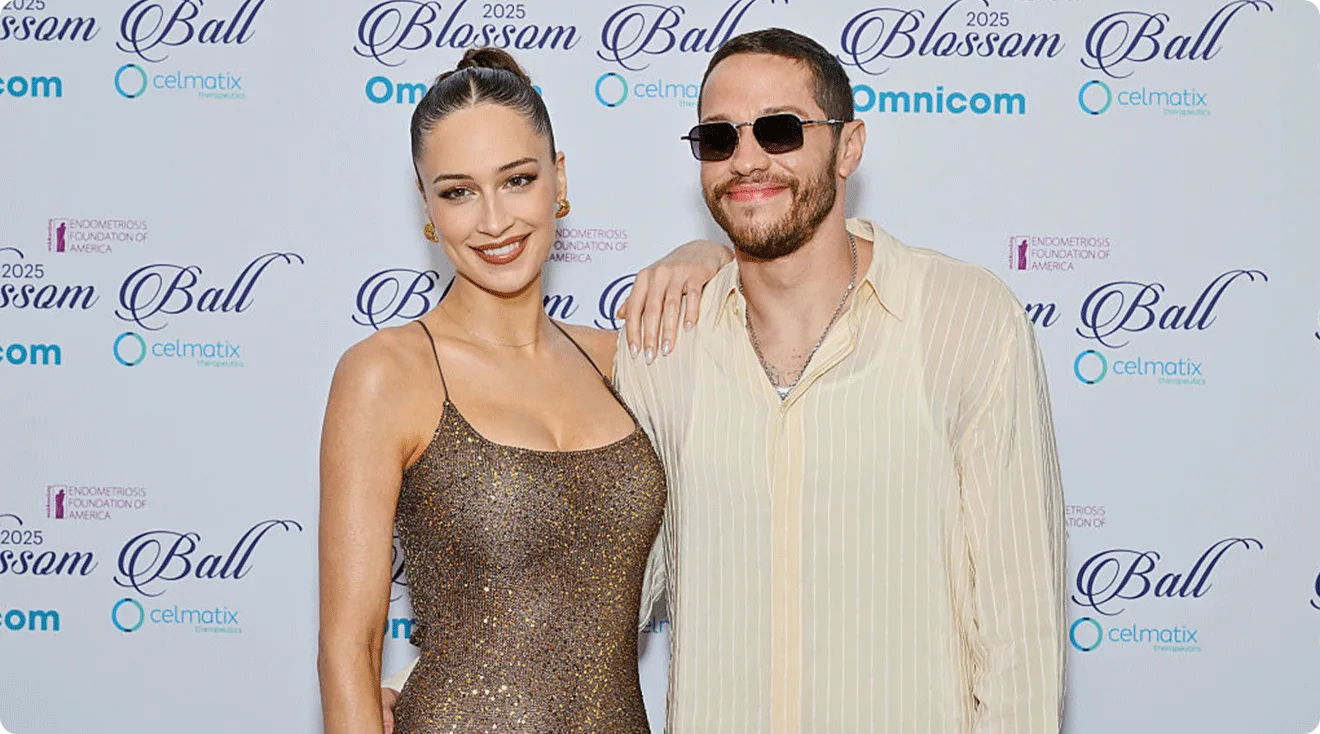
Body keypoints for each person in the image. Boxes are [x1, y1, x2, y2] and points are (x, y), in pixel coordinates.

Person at [386, 28, 1067, 734]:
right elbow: (587, 583)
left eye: (780, 130)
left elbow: (1021, 638)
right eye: (719, 139)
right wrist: (433, 687)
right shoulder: (663, 349)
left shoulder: (966, 319)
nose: (747, 160)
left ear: (849, 146)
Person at [317, 48, 728, 734]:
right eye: (458, 191)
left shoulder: (621, 361)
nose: (494, 220)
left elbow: (775, 333)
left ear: (558, 177)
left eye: (517, 180)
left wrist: (713, 254)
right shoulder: (386, 373)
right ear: (427, 204)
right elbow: (348, 650)